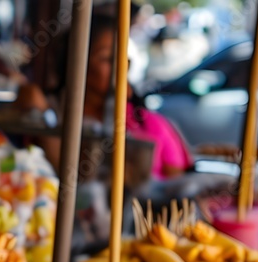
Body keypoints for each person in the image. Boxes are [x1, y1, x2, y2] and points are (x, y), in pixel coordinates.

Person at [17, 14, 191, 181]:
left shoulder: (151, 126)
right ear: (76, 63)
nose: (120, 66)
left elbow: (178, 192)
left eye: (124, 58)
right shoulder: (49, 113)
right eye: (107, 58)